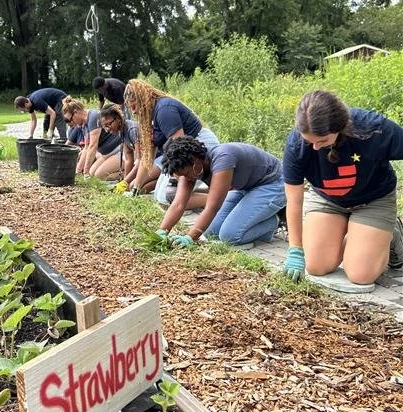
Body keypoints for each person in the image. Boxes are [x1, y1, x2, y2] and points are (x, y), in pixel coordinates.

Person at [282, 90, 403, 285]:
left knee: (360, 275)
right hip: (328, 200)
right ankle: (358, 235)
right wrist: (295, 250)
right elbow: (294, 201)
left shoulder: (372, 129)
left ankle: (391, 232)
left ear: (338, 127)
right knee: (316, 266)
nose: (314, 147)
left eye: (322, 141)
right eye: (309, 141)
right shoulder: (297, 145)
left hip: (373, 200)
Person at [157, 136, 286, 247]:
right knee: (210, 233)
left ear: (194, 161)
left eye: (185, 174)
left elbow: (212, 207)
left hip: (273, 183)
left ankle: (272, 222)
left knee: (229, 236)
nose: (185, 178)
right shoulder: (189, 170)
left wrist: (190, 238)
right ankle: (258, 217)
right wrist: (162, 232)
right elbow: (178, 204)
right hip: (246, 187)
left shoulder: (223, 159)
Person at [123, 78, 219, 204]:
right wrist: (135, 189)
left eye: (134, 106)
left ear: (143, 98)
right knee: (159, 195)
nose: (133, 111)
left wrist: (178, 181)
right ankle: (212, 192)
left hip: (197, 145)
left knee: (170, 195)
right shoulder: (148, 118)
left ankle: (219, 199)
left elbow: (181, 147)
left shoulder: (164, 110)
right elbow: (147, 157)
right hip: (180, 151)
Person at [61, 96, 122, 179]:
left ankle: (126, 172)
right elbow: (86, 148)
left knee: (99, 175)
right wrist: (78, 171)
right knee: (92, 172)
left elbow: (93, 146)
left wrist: (85, 171)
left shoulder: (93, 117)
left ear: (76, 112)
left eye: (71, 119)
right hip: (106, 153)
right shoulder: (83, 124)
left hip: (118, 150)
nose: (71, 123)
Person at [99, 103, 143, 190]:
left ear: (118, 118)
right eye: (105, 126)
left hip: (153, 160)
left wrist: (125, 182)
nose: (107, 129)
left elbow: (140, 161)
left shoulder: (132, 130)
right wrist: (125, 181)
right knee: (129, 186)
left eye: (109, 124)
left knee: (133, 186)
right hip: (144, 163)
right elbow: (128, 159)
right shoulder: (121, 131)